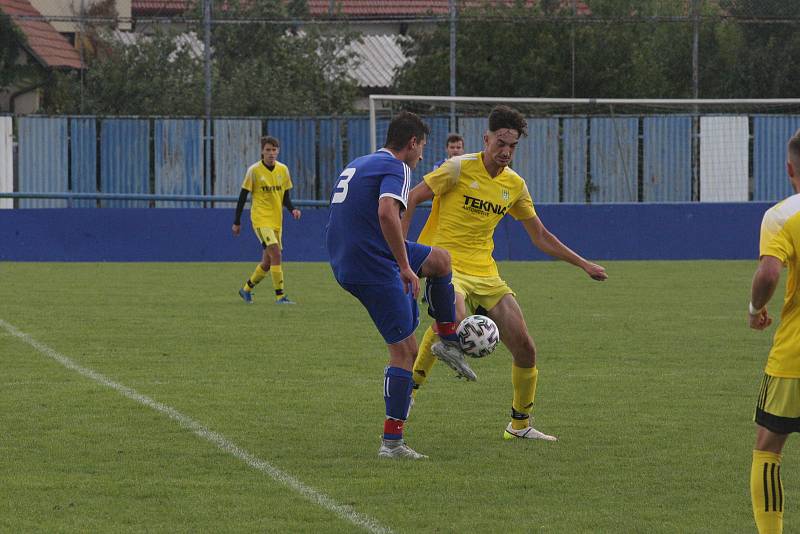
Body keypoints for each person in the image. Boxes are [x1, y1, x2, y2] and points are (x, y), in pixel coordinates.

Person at [402, 105, 608, 442]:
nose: (505, 151)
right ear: (486, 139)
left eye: (512, 146)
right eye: (500, 143)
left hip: (485, 273)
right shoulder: (456, 169)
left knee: (526, 348)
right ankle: (409, 389)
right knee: (452, 318)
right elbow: (411, 198)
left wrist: (583, 263)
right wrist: (405, 257)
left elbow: (541, 236)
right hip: (444, 263)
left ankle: (519, 424)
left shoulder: (514, 185)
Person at [325, 111, 476, 460]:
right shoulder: (399, 168)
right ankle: (392, 443)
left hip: (354, 254)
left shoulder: (362, 161)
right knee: (405, 351)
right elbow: (386, 212)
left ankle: (449, 340)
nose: (422, 156)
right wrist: (405, 268)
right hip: (370, 263)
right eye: (421, 147)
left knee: (441, 261)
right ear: (411, 144)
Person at [747, 128, 800, 534]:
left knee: (768, 448)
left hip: (794, 355)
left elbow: (768, 272)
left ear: (789, 169)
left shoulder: (782, 215)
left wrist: (755, 309)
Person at [232, 136, 301, 304]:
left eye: (274, 150)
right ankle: (280, 296)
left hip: (277, 220)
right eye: (268, 150)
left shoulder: (283, 170)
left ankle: (246, 289)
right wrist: (237, 221)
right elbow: (242, 197)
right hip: (260, 219)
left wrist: (293, 209)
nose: (271, 153)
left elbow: (285, 196)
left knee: (267, 262)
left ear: (278, 151)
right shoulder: (254, 171)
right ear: (262, 151)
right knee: (276, 254)